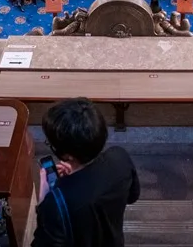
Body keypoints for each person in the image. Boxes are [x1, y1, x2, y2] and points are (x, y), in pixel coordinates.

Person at [32, 98, 139, 246]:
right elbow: (132, 196)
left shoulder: (56, 202)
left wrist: (44, 201)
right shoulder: (119, 157)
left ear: (68, 155)